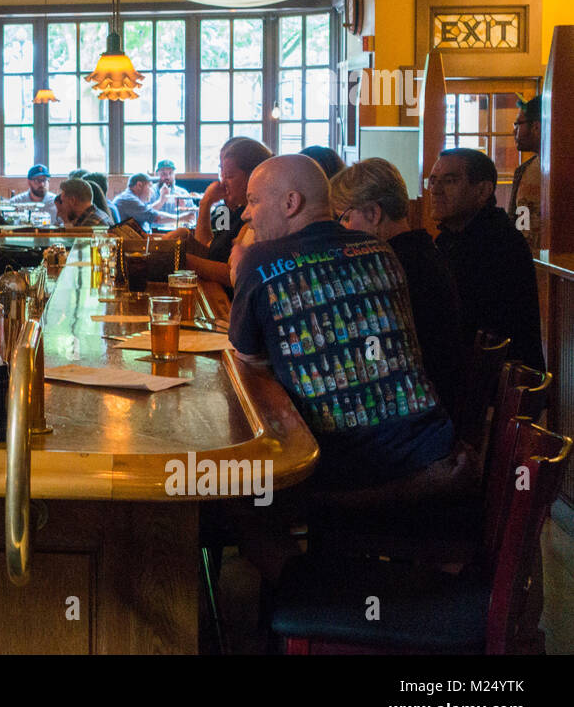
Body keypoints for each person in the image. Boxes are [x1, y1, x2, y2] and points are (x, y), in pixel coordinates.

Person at [227, 155, 463, 581]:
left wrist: (240, 269)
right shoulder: (382, 249)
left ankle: (314, 604)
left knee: (241, 499)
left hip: (348, 472)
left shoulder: (258, 262)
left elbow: (247, 367)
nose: (245, 213)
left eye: (253, 201)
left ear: (290, 203)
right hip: (433, 452)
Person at [329, 158, 465, 413]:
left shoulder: (392, 267)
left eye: (344, 219)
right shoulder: (419, 251)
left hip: (417, 411)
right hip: (433, 400)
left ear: (373, 213)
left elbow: (376, 357)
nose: (341, 231)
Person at [429, 148, 544, 371]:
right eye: (433, 181)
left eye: (450, 181)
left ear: (482, 191)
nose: (436, 190)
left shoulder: (497, 242)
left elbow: (461, 323)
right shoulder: (452, 239)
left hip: (496, 387)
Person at [177, 137, 273, 289]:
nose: (222, 182)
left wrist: (177, 258)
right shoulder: (226, 210)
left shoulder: (261, 217)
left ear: (254, 176)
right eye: (221, 171)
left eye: (228, 175)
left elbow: (234, 273)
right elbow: (208, 248)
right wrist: (205, 204)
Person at [508, 94, 542, 254]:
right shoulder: (523, 171)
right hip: (526, 264)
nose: (514, 131)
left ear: (536, 127)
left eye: (518, 124)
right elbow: (514, 223)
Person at [113, 172, 187, 231]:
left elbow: (148, 210)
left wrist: (161, 200)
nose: (151, 191)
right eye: (149, 186)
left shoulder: (130, 198)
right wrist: (183, 217)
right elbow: (156, 217)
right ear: (139, 185)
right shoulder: (129, 200)